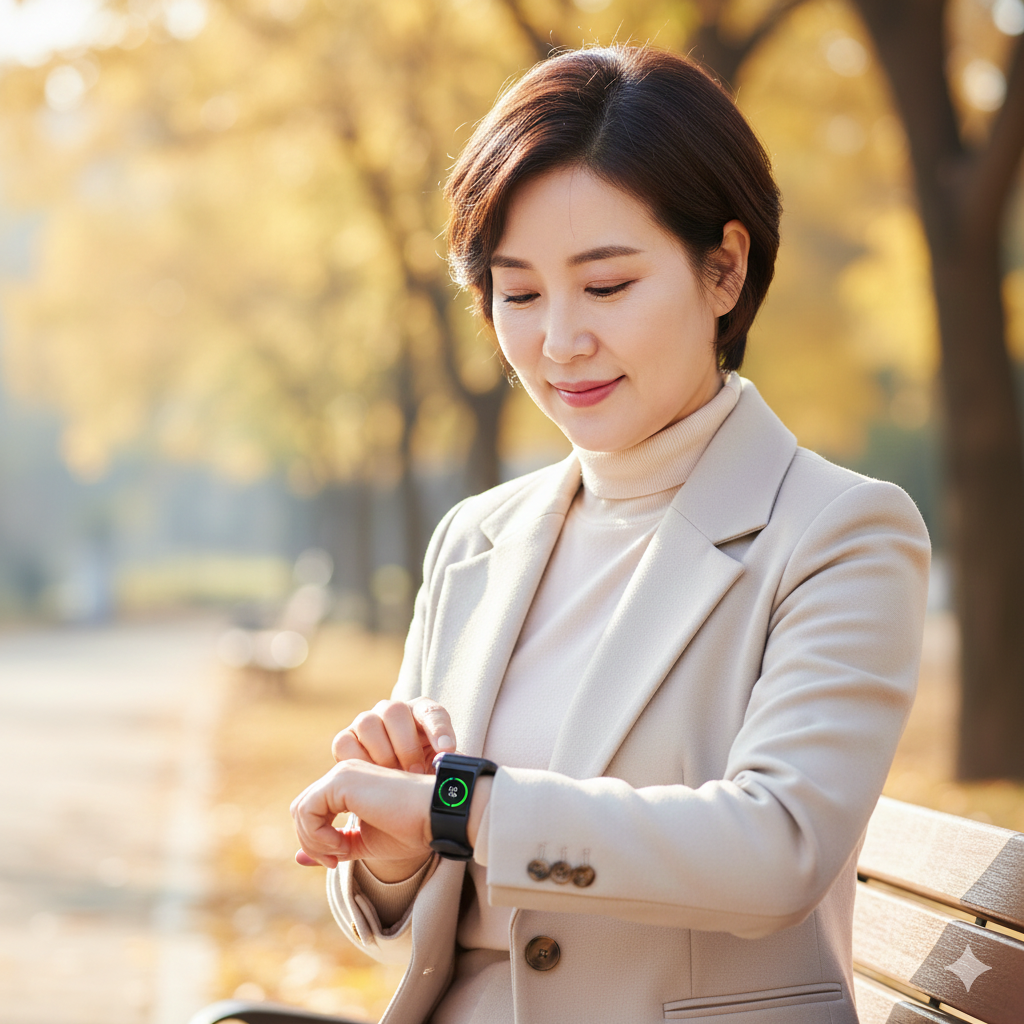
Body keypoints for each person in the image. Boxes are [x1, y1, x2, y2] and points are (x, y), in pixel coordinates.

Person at [291, 45, 930, 1024]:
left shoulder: (838, 533)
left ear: (724, 269)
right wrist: (396, 852)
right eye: (519, 293)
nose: (559, 342)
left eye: (606, 285)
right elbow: (402, 924)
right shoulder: (475, 540)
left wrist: (459, 807)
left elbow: (778, 847)